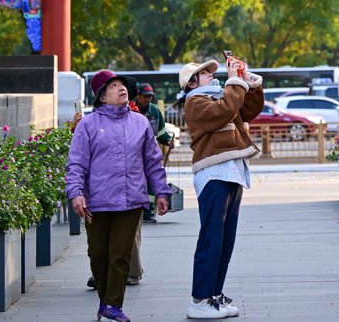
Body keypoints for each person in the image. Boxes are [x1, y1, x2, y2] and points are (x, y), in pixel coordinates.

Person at [67, 70, 172, 322]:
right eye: (113, 86)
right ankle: (105, 301)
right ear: (102, 97)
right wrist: (76, 193)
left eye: (121, 84)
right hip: (97, 202)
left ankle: (113, 304)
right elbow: (76, 163)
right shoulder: (87, 125)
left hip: (131, 200)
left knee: (121, 255)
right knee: (98, 255)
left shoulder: (140, 123)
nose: (121, 88)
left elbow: (153, 162)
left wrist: (161, 191)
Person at [179, 54, 263, 319]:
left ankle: (214, 295)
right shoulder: (195, 102)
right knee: (212, 237)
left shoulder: (220, 96)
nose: (211, 75)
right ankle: (200, 299)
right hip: (213, 172)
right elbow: (225, 111)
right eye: (205, 73)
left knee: (226, 240)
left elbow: (249, 109)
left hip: (232, 169)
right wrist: (234, 81)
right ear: (191, 83)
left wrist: (246, 80)